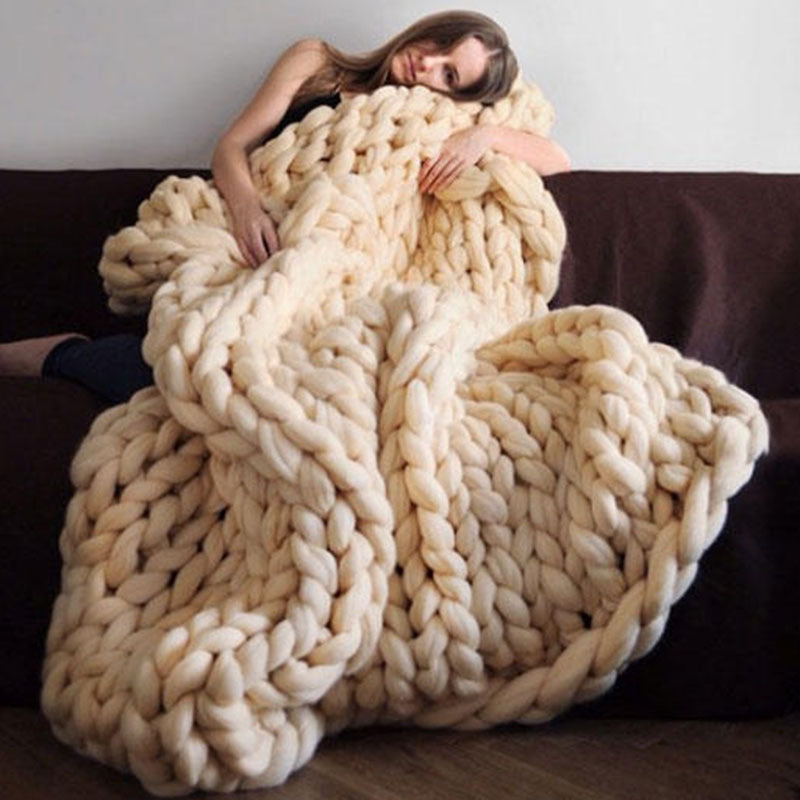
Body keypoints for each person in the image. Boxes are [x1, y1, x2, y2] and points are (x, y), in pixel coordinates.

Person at [0, 10, 570, 405]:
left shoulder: (434, 118)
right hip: (264, 237)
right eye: (439, 46)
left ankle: (76, 359)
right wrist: (248, 208)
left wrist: (487, 138)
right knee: (210, 365)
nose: (429, 65)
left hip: (346, 276)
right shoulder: (316, 61)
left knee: (304, 387)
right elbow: (230, 148)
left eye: (450, 74)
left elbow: (557, 159)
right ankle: (58, 357)